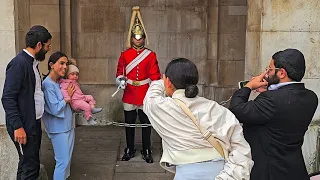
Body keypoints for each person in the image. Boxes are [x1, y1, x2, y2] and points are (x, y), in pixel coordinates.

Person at [143, 58, 253, 179]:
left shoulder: (161, 108)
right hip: (222, 172)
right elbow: (241, 150)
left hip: (185, 174)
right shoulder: (217, 109)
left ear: (168, 82)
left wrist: (164, 80)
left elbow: (152, 94)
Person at [229, 48, 318, 180]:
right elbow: (281, 110)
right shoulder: (311, 97)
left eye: (270, 69)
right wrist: (268, 91)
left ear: (281, 73)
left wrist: (248, 86)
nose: (266, 73)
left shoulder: (271, 100)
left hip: (270, 172)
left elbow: (237, 109)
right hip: (295, 169)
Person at [1, 25, 52, 179]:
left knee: (30, 165)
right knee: (29, 168)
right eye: (47, 46)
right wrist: (18, 126)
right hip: (23, 126)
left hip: (32, 123)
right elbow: (8, 98)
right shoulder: (19, 64)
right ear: (39, 45)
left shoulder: (32, 64)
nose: (49, 49)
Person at [115, 6, 161, 163]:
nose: (138, 40)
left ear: (144, 38)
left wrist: (156, 92)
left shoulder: (151, 55)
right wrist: (120, 80)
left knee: (146, 124)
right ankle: (129, 148)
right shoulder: (124, 55)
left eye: (140, 37)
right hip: (129, 93)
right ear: (132, 38)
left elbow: (155, 75)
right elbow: (119, 72)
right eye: (135, 37)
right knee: (129, 124)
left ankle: (147, 148)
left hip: (144, 93)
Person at [42, 52, 76, 180]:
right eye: (61, 63)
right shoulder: (48, 84)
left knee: (67, 163)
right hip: (57, 129)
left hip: (68, 126)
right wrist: (67, 99)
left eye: (66, 63)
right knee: (62, 162)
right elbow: (54, 108)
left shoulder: (61, 82)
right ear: (51, 65)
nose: (65, 67)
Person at [60, 58, 102, 125]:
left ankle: (93, 108)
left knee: (90, 97)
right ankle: (89, 118)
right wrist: (68, 98)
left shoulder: (75, 83)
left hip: (81, 98)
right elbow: (63, 91)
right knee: (86, 106)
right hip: (75, 101)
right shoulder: (65, 83)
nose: (75, 76)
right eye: (72, 74)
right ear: (67, 75)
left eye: (76, 74)